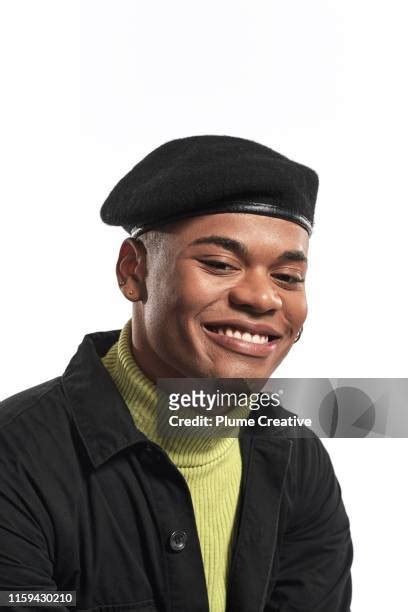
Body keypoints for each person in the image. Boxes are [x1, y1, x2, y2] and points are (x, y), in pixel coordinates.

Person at [0, 136, 352, 611]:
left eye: (287, 277)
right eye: (220, 264)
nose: (263, 298)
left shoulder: (295, 456)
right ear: (133, 271)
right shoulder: (16, 459)